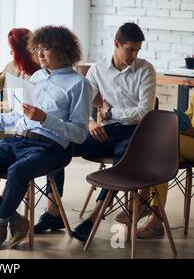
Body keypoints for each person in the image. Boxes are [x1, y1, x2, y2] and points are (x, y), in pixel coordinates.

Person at [0, 25, 92, 251]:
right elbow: (21, 116)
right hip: (18, 140)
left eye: (46, 49)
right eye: (38, 48)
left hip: (51, 149)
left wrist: (46, 119)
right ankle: (14, 219)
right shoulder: (36, 77)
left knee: (17, 171)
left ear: (64, 50)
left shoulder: (79, 84)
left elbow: (80, 133)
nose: (39, 54)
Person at [34, 22, 157, 242]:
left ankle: (93, 219)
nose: (134, 55)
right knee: (58, 142)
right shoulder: (98, 69)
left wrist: (110, 112)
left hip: (134, 134)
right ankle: (53, 212)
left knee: (122, 163)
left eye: (137, 51)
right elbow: (84, 104)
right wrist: (90, 121)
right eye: (130, 50)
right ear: (116, 44)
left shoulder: (145, 70)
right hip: (104, 132)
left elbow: (144, 112)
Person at [120, 94, 194, 239]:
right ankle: (154, 216)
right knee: (160, 155)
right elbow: (189, 116)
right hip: (188, 141)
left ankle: (143, 202)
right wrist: (179, 122)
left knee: (163, 144)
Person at [0, 28, 40, 190]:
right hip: (9, 117)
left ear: (21, 50)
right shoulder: (11, 66)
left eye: (13, 50)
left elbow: (28, 104)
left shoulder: (38, 71)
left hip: (27, 119)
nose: (10, 52)